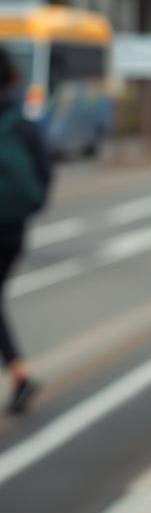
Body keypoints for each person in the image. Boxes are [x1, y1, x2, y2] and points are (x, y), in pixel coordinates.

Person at [0, 45, 50, 414]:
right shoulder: (22, 121)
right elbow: (44, 174)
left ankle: (20, 375)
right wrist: (28, 208)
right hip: (14, 229)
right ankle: (20, 375)